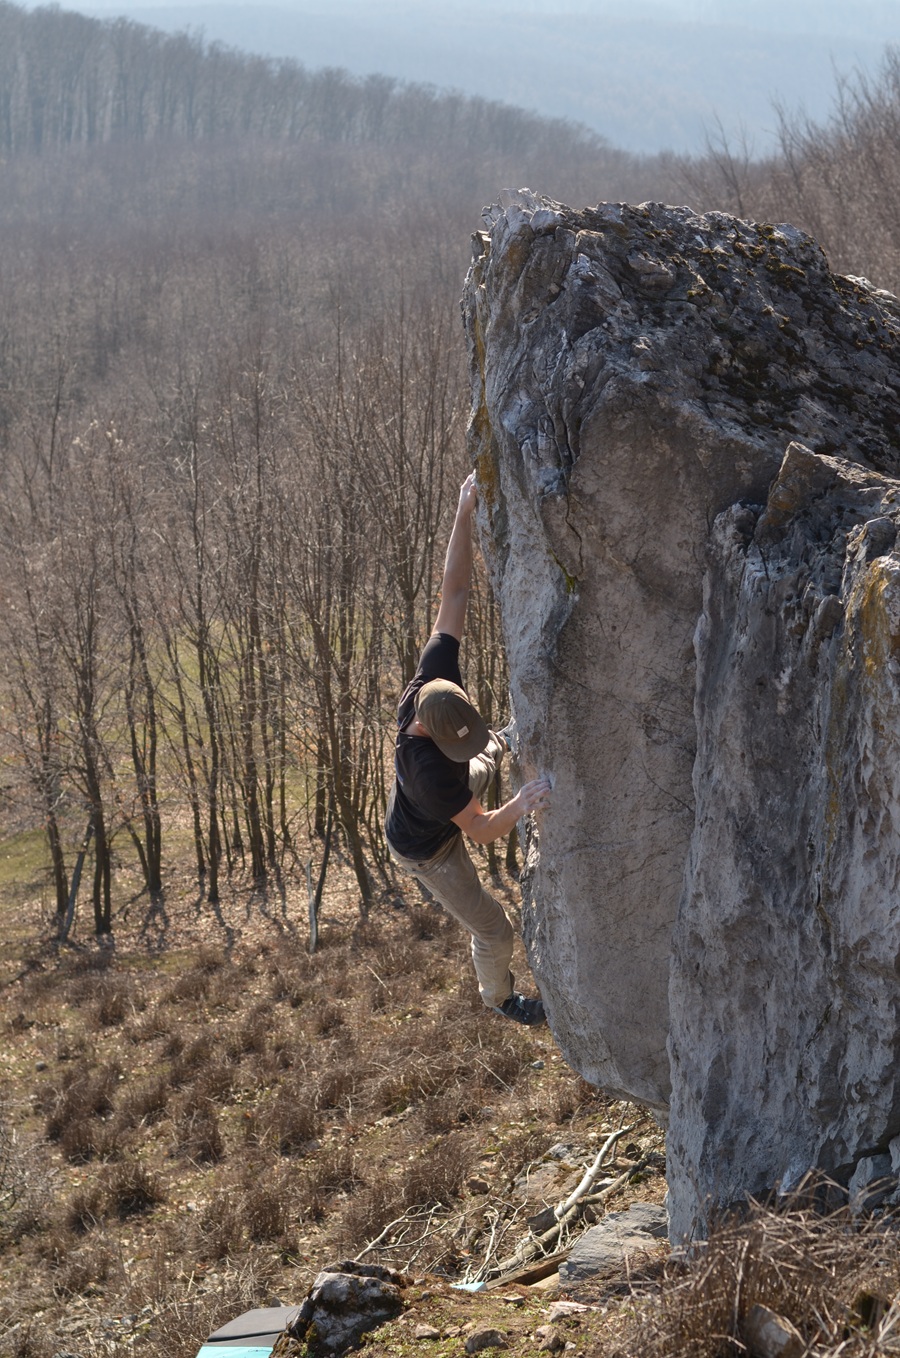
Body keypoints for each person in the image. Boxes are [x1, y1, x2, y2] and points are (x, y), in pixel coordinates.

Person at [385, 471, 552, 1025]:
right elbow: (479, 830)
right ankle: (499, 999)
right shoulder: (430, 774)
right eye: (462, 747)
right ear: (433, 736)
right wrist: (524, 803)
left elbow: (453, 591)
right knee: (493, 925)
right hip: (428, 850)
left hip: (451, 795)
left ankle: (496, 743)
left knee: (487, 758)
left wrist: (464, 509)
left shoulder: (434, 678)